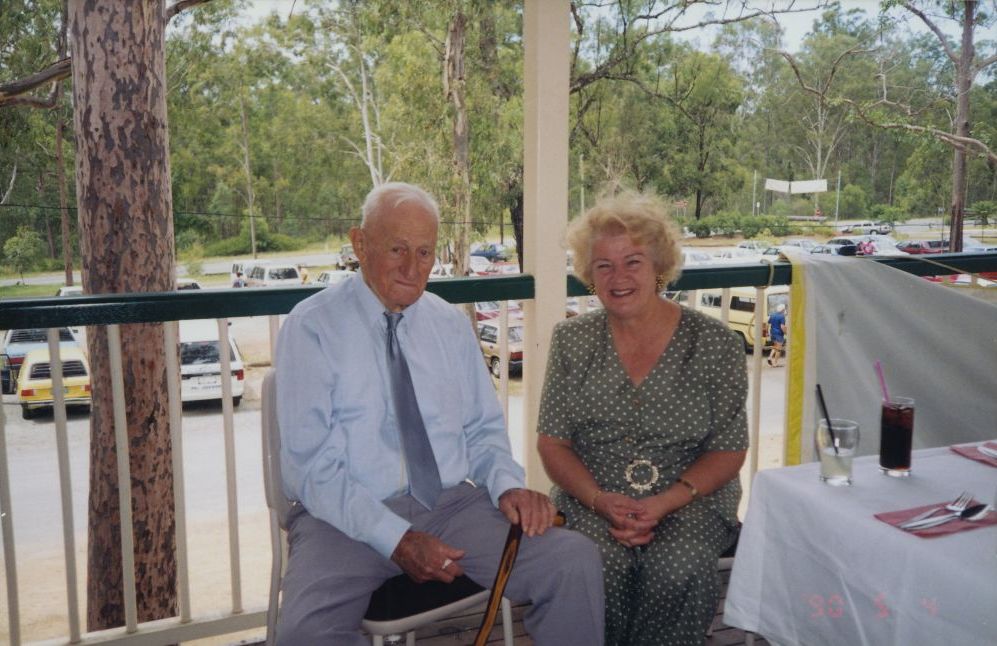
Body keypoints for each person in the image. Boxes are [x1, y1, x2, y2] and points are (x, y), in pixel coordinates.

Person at [274, 182, 604, 645]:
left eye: (425, 252)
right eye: (397, 249)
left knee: (572, 561)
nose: (413, 268)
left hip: (450, 506)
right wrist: (398, 538)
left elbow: (483, 430)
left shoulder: (449, 324)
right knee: (305, 632)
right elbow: (310, 468)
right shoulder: (312, 328)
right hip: (344, 515)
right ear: (359, 244)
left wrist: (507, 483)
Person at [537, 191, 748, 646]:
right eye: (604, 265)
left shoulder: (715, 342)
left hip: (691, 498)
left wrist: (664, 502)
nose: (619, 277)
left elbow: (729, 449)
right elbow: (553, 443)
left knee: (677, 566)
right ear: (588, 274)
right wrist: (598, 499)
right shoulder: (571, 340)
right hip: (593, 497)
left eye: (632, 261)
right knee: (592, 562)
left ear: (658, 267)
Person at [767, 302, 787, 367]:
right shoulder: (782, 316)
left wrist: (768, 332)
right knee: (779, 349)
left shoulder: (772, 315)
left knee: (775, 346)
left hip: (772, 333)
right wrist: (786, 332)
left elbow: (768, 324)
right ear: (783, 310)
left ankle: (770, 357)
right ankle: (775, 363)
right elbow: (782, 327)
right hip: (779, 334)